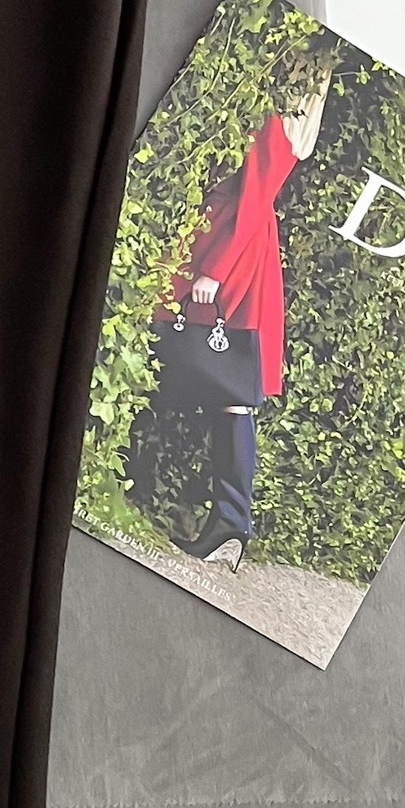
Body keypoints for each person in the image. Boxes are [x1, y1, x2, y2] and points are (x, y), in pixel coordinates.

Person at [158, 70, 331, 569]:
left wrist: (214, 268)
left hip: (234, 249)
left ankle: (231, 524)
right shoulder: (291, 122)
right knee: (230, 392)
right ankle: (229, 525)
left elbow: (254, 197)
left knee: (231, 389)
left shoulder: (277, 122)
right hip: (241, 247)